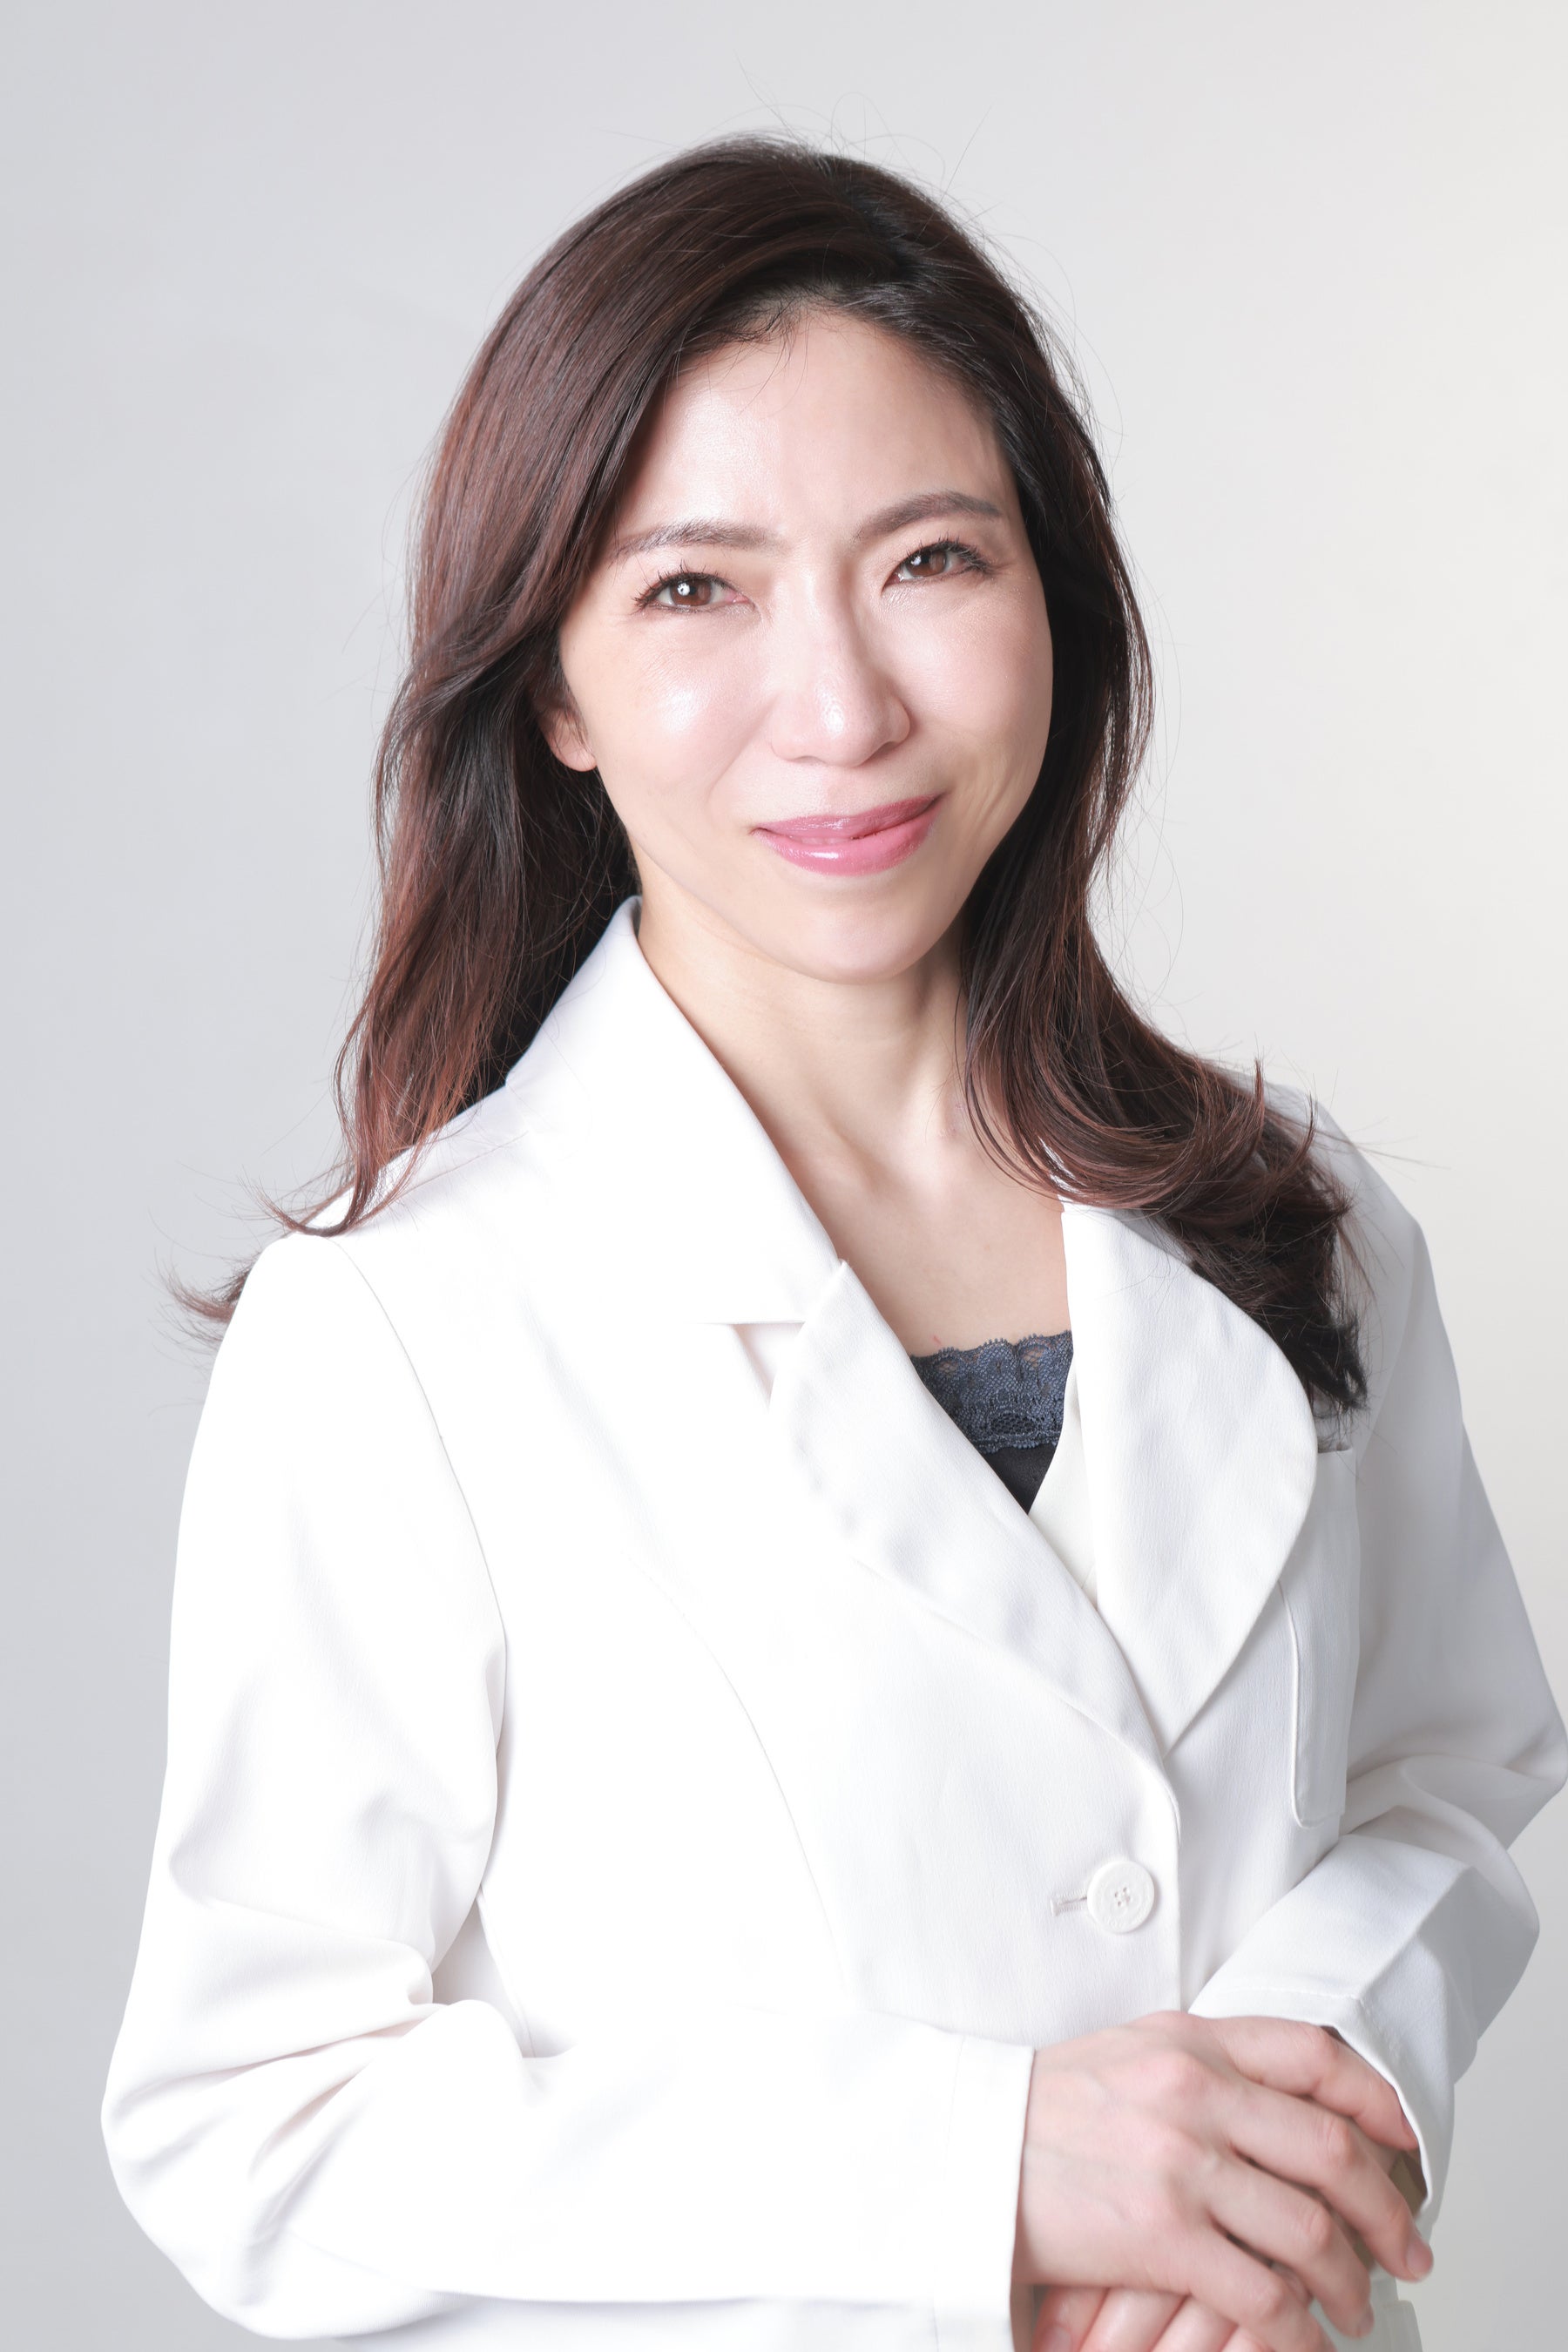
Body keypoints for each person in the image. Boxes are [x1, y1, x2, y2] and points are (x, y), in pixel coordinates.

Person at [102, 138, 1565, 2352]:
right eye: (698, 591)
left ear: (1056, 602)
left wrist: (1296, 2111)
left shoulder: (1296, 1219)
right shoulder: (402, 1323)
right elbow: (253, 2120)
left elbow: (1443, 1774)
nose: (846, 709)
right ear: (558, 689)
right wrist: (992, 2174)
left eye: (931, 560)